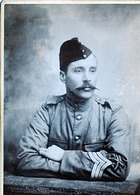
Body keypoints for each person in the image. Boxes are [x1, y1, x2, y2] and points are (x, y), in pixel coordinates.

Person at [16, 37, 131, 181]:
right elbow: (25, 160)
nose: (87, 78)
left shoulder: (113, 113)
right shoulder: (47, 112)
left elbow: (119, 167)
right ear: (63, 76)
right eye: (78, 70)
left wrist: (63, 157)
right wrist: (79, 167)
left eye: (92, 70)